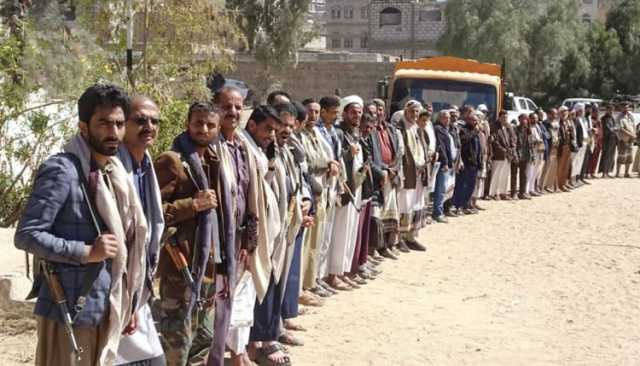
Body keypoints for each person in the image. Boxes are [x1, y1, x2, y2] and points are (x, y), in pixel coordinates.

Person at [15, 84, 148, 366]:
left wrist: (129, 303)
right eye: (104, 123)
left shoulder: (114, 174)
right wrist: (86, 251)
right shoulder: (63, 170)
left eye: (119, 124)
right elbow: (27, 235)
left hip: (107, 307)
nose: (113, 132)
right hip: (71, 309)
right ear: (84, 127)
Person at [154, 102, 234, 366]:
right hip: (181, 268)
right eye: (198, 123)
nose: (204, 129)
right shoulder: (172, 160)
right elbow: (152, 213)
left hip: (209, 266)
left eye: (210, 124)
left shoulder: (213, 160)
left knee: (204, 339)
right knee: (176, 342)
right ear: (188, 123)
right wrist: (192, 205)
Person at [115, 96, 166, 366]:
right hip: (118, 288)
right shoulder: (111, 168)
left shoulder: (146, 165)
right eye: (141, 120)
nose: (149, 126)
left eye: (154, 121)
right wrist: (127, 300)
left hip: (139, 286)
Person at [299, 99, 337, 299]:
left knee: (316, 241)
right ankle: (300, 289)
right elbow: (310, 163)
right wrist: (326, 163)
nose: (313, 116)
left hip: (322, 191)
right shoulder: (300, 137)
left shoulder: (317, 134)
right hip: (310, 191)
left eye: (316, 112)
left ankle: (310, 283)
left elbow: (325, 157)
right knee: (305, 244)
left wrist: (330, 162)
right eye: (309, 112)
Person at [371, 98, 403, 259]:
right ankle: (376, 247)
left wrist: (394, 170)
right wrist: (384, 170)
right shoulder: (370, 130)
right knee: (378, 214)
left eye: (381, 109)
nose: (378, 112)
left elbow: (397, 152)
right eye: (375, 109)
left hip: (391, 176)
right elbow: (372, 157)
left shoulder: (390, 129)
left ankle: (388, 245)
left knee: (391, 213)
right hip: (378, 177)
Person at [395, 100, 428, 250]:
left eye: (416, 112)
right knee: (404, 204)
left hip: (419, 173)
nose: (414, 115)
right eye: (411, 111)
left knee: (416, 203)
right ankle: (400, 238)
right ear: (405, 111)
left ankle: (411, 236)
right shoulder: (400, 127)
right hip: (408, 172)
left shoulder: (418, 128)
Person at [452, 109, 482, 213]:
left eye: (476, 121)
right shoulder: (464, 130)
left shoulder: (476, 132)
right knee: (462, 185)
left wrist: (480, 162)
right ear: (468, 120)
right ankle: (458, 206)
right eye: (473, 120)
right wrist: (474, 131)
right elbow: (464, 141)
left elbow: (478, 148)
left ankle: (466, 205)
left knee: (471, 186)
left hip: (474, 163)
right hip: (466, 162)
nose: (475, 123)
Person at [432, 110, 454, 223]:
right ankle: (437, 213)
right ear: (440, 118)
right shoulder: (438, 129)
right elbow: (441, 147)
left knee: (443, 189)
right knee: (440, 190)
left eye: (449, 118)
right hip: (441, 164)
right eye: (445, 118)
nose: (448, 120)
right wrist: (445, 162)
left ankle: (439, 211)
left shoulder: (445, 129)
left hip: (447, 163)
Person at [489, 110, 514, 200]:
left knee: (505, 175)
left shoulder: (508, 127)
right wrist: (503, 150)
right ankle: (495, 193)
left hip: (508, 155)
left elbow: (513, 139)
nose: (505, 119)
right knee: (496, 175)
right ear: (499, 117)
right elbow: (495, 142)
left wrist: (511, 149)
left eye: (506, 117)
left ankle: (503, 192)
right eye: (503, 117)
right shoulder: (494, 127)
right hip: (498, 155)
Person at [615, 103, 636, 178]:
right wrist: (631, 135)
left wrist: (634, 134)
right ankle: (617, 173)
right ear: (621, 108)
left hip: (630, 139)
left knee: (629, 156)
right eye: (624, 107)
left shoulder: (630, 115)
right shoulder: (619, 117)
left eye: (627, 107)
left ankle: (626, 173)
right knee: (621, 156)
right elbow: (621, 128)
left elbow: (633, 125)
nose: (626, 109)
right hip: (623, 139)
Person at [542, 109, 561, 192]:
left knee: (553, 168)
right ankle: (542, 186)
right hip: (548, 147)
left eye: (556, 114)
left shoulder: (556, 123)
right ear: (548, 114)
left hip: (555, 147)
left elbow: (558, 134)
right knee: (546, 167)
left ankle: (549, 185)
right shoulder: (544, 124)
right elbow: (545, 135)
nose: (554, 116)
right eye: (553, 114)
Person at [557, 107, 574, 191]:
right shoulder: (558, 123)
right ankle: (559, 185)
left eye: (565, 112)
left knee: (566, 166)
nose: (564, 113)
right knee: (560, 167)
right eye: (562, 112)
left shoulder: (568, 122)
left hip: (568, 145)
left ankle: (563, 184)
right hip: (562, 146)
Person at [599, 104, 617, 178]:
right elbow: (608, 129)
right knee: (606, 155)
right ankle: (604, 172)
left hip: (613, 139)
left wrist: (615, 129)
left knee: (611, 156)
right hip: (607, 139)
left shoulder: (612, 118)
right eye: (609, 109)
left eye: (612, 110)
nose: (611, 111)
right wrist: (615, 129)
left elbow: (614, 127)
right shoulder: (604, 118)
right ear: (607, 110)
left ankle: (608, 171)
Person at [587, 105, 602, 178]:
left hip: (599, 140)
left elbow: (601, 131)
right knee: (591, 157)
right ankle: (588, 172)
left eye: (597, 111)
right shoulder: (590, 120)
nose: (596, 113)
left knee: (596, 157)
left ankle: (593, 171)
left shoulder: (599, 121)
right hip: (592, 140)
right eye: (595, 111)